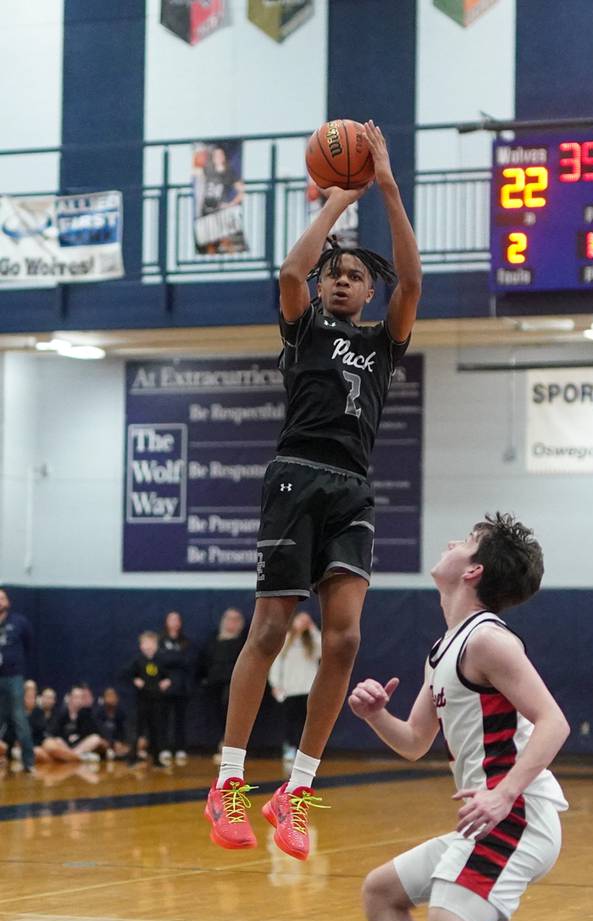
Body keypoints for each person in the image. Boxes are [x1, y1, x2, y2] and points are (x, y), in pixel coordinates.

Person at [204, 119, 422, 859]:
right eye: (336, 272)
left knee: (348, 636)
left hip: (352, 489)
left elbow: (413, 281)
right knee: (267, 631)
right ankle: (228, 778)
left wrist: (387, 188)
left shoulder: (383, 346)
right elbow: (290, 275)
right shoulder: (303, 328)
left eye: (354, 275)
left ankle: (295, 790)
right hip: (296, 473)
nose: (340, 279)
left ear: (369, 291)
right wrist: (336, 198)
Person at [347, 513, 570, 921]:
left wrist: (502, 794)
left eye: (464, 542)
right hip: (494, 816)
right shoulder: (445, 645)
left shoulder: (489, 641)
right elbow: (416, 742)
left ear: (472, 570)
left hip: (516, 814)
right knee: (381, 891)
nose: (450, 543)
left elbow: (553, 724)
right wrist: (376, 716)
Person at [268, 611, 322, 768]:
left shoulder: (311, 640)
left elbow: (322, 650)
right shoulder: (285, 640)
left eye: (307, 621)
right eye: (301, 620)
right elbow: (276, 663)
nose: (303, 623)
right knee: (290, 721)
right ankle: (290, 748)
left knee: (307, 722)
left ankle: (306, 752)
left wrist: (312, 629)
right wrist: (275, 684)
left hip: (308, 689)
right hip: (289, 689)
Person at [197, 609, 247, 759]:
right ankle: (222, 743)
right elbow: (203, 662)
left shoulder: (243, 643)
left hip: (234, 685)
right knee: (217, 714)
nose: (231, 622)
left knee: (230, 712)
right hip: (214, 685)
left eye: (235, 619)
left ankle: (230, 746)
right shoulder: (213, 641)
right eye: (229, 619)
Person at [0, 587, 35, 772]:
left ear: (8, 602)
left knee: (19, 718)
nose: (0, 601)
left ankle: (28, 762)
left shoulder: (19, 622)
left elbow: (29, 644)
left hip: (13, 676)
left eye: (2, 598)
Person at [125, 631, 171, 766]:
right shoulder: (137, 661)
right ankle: (132, 757)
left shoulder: (160, 661)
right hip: (142, 701)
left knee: (155, 730)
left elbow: (167, 676)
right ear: (141, 646)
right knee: (138, 730)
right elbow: (128, 674)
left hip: (156, 700)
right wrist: (135, 680)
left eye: (152, 643)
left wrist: (166, 681)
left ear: (156, 646)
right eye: (146, 643)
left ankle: (156, 758)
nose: (149, 646)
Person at [159, 611, 192, 765]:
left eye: (177, 619)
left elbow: (187, 661)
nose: (174, 622)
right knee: (164, 718)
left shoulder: (185, 641)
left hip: (181, 686)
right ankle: (164, 748)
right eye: (171, 619)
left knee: (180, 719)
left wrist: (173, 658)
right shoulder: (161, 640)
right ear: (166, 622)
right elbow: (161, 659)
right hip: (165, 685)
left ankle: (180, 748)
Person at [41, 685, 106, 763]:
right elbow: (52, 734)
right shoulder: (60, 714)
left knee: (95, 738)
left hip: (79, 747)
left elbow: (95, 734)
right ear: (69, 698)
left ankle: (72, 756)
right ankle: (79, 758)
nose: (78, 700)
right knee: (52, 742)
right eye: (76, 697)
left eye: (80, 697)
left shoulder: (87, 715)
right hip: (63, 746)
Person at [94, 687, 130, 760]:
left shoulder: (121, 713)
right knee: (101, 744)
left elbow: (125, 731)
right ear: (103, 699)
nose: (111, 699)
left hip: (119, 744)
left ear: (117, 698)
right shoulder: (98, 714)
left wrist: (121, 743)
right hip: (105, 743)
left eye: (113, 696)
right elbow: (100, 731)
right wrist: (113, 743)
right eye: (108, 696)